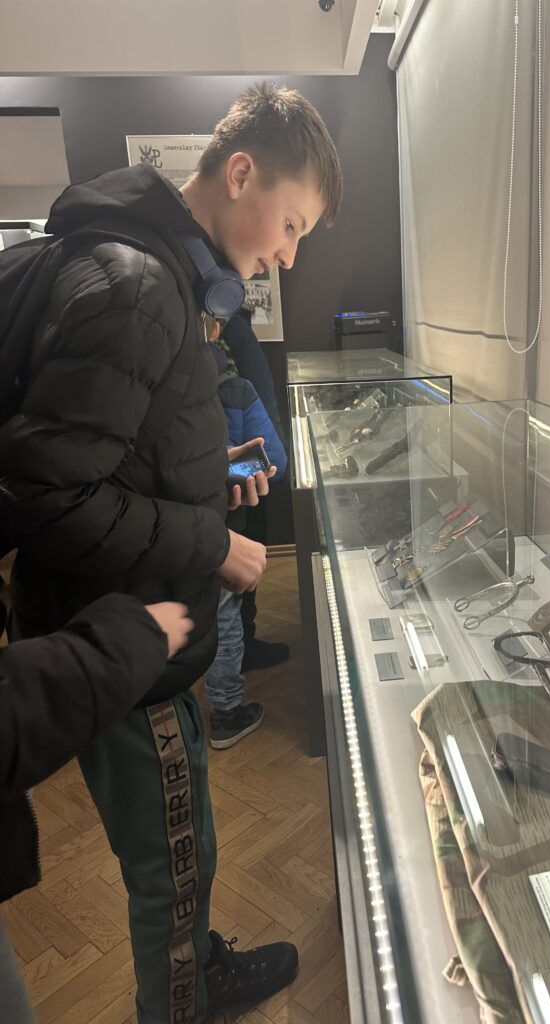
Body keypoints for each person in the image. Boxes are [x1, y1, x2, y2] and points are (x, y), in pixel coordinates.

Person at [0, 82, 342, 1023]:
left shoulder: (162, 273)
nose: (289, 252)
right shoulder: (142, 286)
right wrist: (211, 537)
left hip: (140, 626)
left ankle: (193, 971)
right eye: (291, 223)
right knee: (171, 860)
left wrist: (204, 469)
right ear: (241, 173)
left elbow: (113, 449)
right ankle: (181, 1004)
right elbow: (49, 494)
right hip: (122, 635)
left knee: (186, 844)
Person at [0, 594, 193, 1023]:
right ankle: (181, 1006)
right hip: (130, 666)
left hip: (120, 656)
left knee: (175, 875)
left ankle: (193, 980)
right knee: (168, 876)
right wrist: (122, 646)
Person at [206, 325, 288, 749]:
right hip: (222, 528)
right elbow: (274, 462)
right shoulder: (235, 388)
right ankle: (225, 712)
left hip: (166, 526)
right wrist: (227, 479)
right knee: (225, 615)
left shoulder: (151, 384)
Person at [221, 309, 292, 671]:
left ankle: (239, 649)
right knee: (233, 595)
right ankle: (241, 654)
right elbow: (272, 455)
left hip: (226, 486)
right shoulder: (231, 331)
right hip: (242, 489)